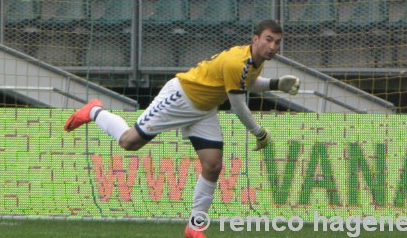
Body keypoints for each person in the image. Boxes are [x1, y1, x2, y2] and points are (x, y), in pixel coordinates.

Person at [63, 19, 300, 238]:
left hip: (204, 109)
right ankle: (94, 111)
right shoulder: (236, 61)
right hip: (180, 98)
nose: (272, 46)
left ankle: (194, 227)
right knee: (129, 142)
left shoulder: (253, 61)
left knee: (213, 165)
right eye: (268, 39)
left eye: (277, 42)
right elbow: (238, 105)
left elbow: (246, 83)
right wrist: (259, 132)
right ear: (255, 38)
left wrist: (276, 84)